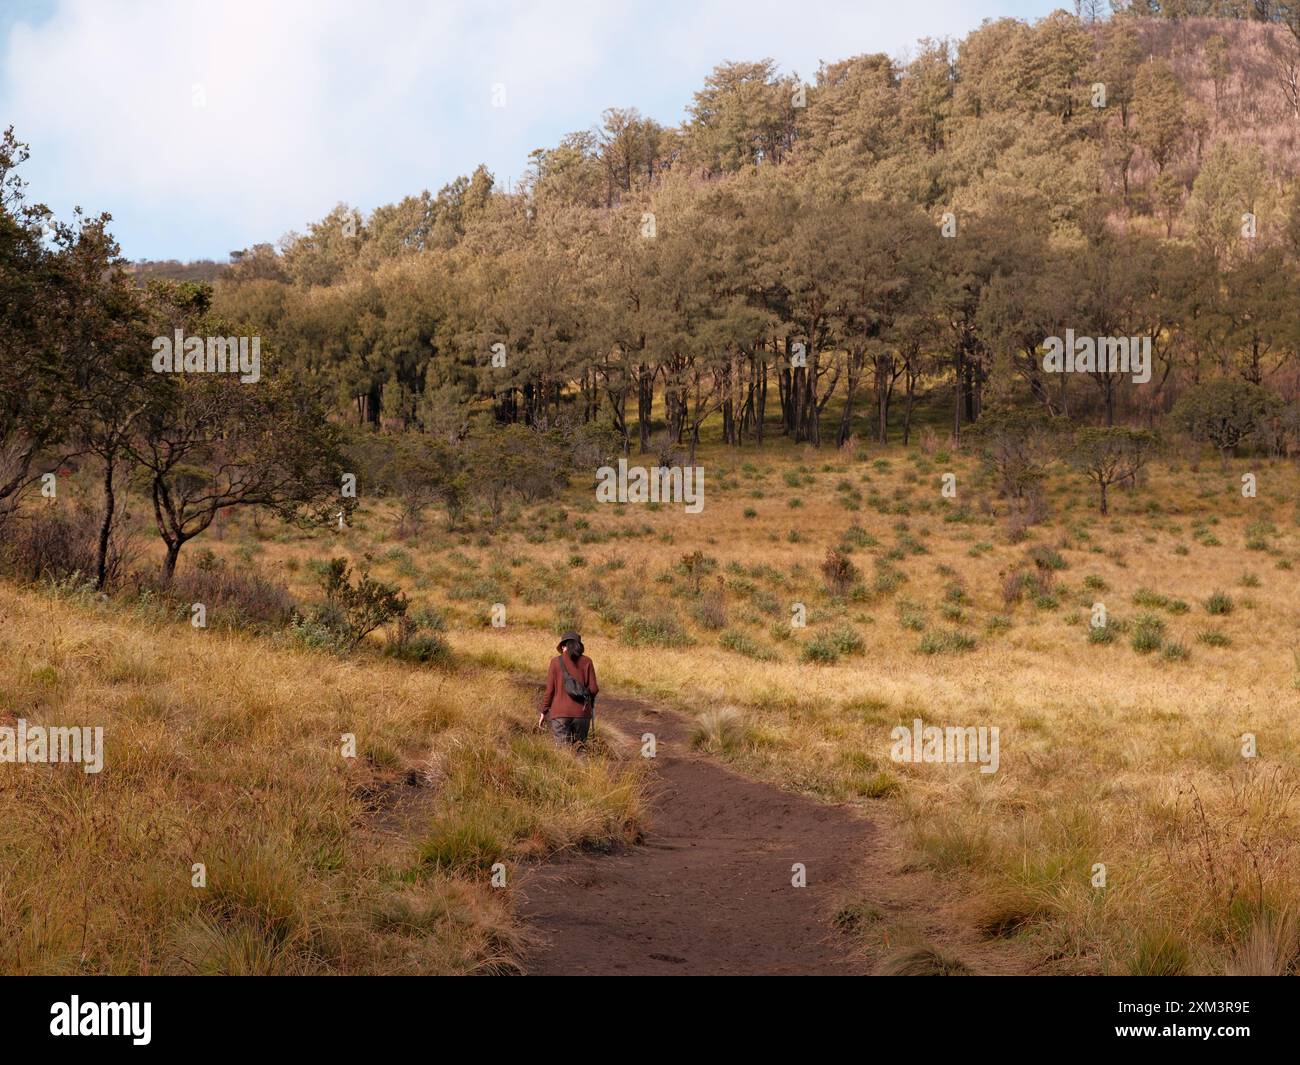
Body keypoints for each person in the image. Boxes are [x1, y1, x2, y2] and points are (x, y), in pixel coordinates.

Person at [539, 631, 598, 747]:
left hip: (560, 714)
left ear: (563, 646)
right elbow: (594, 688)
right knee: (580, 749)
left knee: (563, 752)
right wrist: (588, 699)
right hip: (582, 714)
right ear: (579, 646)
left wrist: (544, 711)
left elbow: (549, 691)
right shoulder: (587, 661)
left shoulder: (555, 662)